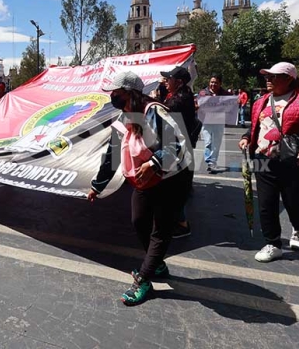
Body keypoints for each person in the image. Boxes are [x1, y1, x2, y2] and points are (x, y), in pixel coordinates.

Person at [88, 71, 192, 306]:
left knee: (161, 230)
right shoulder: (124, 117)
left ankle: (144, 279)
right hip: (145, 181)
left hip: (172, 178)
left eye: (116, 92)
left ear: (129, 92)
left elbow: (176, 144)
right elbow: (112, 155)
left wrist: (154, 163)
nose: (112, 96)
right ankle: (157, 264)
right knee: (139, 220)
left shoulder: (154, 111)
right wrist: (97, 186)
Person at [238, 62, 299, 263]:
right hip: (263, 159)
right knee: (266, 203)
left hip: (291, 161)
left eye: (274, 76)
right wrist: (246, 137)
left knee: (294, 201)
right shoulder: (260, 101)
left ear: (289, 79)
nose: (268, 80)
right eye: (267, 76)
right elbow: (257, 126)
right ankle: (273, 243)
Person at [160, 66, 199, 239]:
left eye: (168, 79)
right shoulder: (180, 95)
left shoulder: (180, 100)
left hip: (178, 149)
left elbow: (164, 112)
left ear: (179, 82)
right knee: (174, 188)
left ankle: (182, 224)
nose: (165, 82)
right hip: (179, 148)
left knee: (175, 188)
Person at [198, 74, 229, 173]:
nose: (213, 84)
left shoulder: (225, 94)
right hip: (206, 121)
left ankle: (212, 162)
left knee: (216, 142)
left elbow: (231, 104)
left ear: (220, 83)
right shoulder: (203, 93)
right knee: (208, 141)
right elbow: (197, 104)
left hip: (219, 120)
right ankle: (209, 160)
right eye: (212, 82)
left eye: (216, 82)